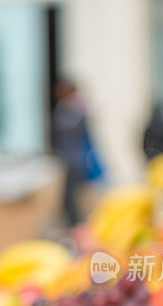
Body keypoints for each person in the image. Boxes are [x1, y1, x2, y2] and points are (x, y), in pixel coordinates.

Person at [52, 80, 102, 227]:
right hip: (71, 160)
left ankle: (80, 224)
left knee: (78, 197)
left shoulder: (73, 112)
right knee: (70, 198)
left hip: (76, 161)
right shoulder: (69, 110)